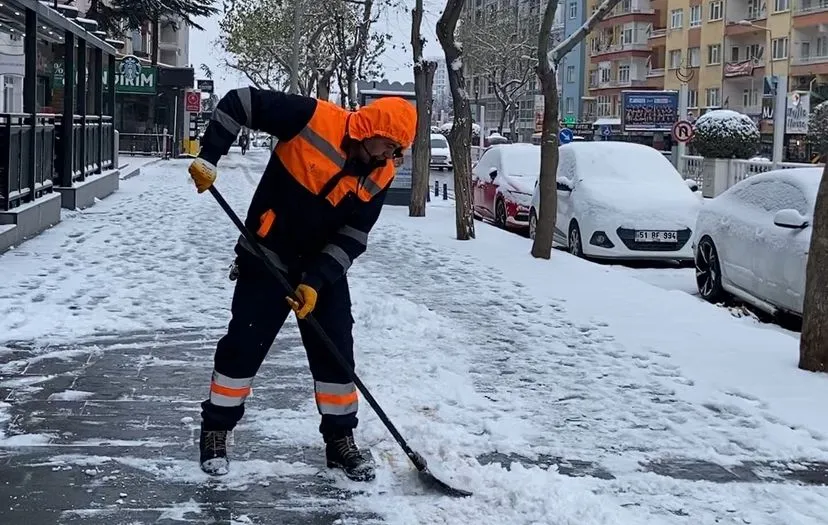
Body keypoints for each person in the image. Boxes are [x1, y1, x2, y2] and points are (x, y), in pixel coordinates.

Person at [187, 88, 417, 482]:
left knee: (337, 355)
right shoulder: (312, 118)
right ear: (371, 130)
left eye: (397, 151)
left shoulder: (380, 174)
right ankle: (215, 432)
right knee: (243, 346)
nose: (389, 157)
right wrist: (210, 156)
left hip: (319, 271)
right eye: (389, 146)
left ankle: (340, 442)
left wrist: (314, 283)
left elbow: (353, 236)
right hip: (266, 256)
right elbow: (239, 103)